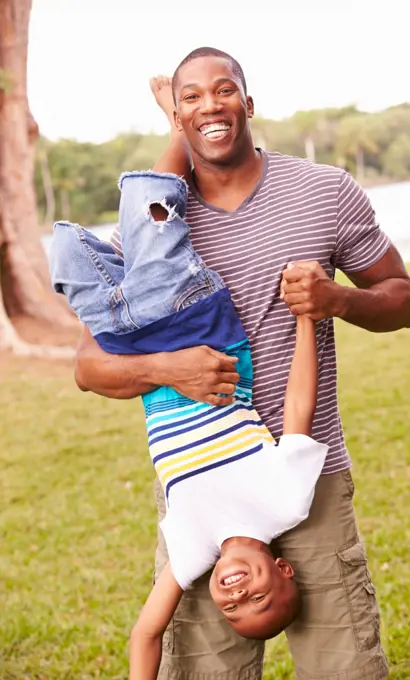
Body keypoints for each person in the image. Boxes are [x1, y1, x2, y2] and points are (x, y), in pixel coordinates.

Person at [75, 50, 410, 680]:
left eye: (224, 91)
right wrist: (168, 369)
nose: (211, 107)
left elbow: (404, 301)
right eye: (192, 99)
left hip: (309, 484)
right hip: (200, 491)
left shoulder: (324, 191)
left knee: (344, 669)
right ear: (176, 116)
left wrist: (337, 298)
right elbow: (88, 366)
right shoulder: (153, 230)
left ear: (248, 103)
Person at [50, 112, 328, 673]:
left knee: (65, 252)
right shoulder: (284, 504)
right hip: (201, 333)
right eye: (259, 597)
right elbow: (299, 409)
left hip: (140, 353)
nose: (235, 594)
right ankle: (180, 122)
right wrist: (306, 320)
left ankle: (144, 217)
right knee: (148, 214)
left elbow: (146, 630)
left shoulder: (191, 553)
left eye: (233, 609)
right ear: (284, 570)